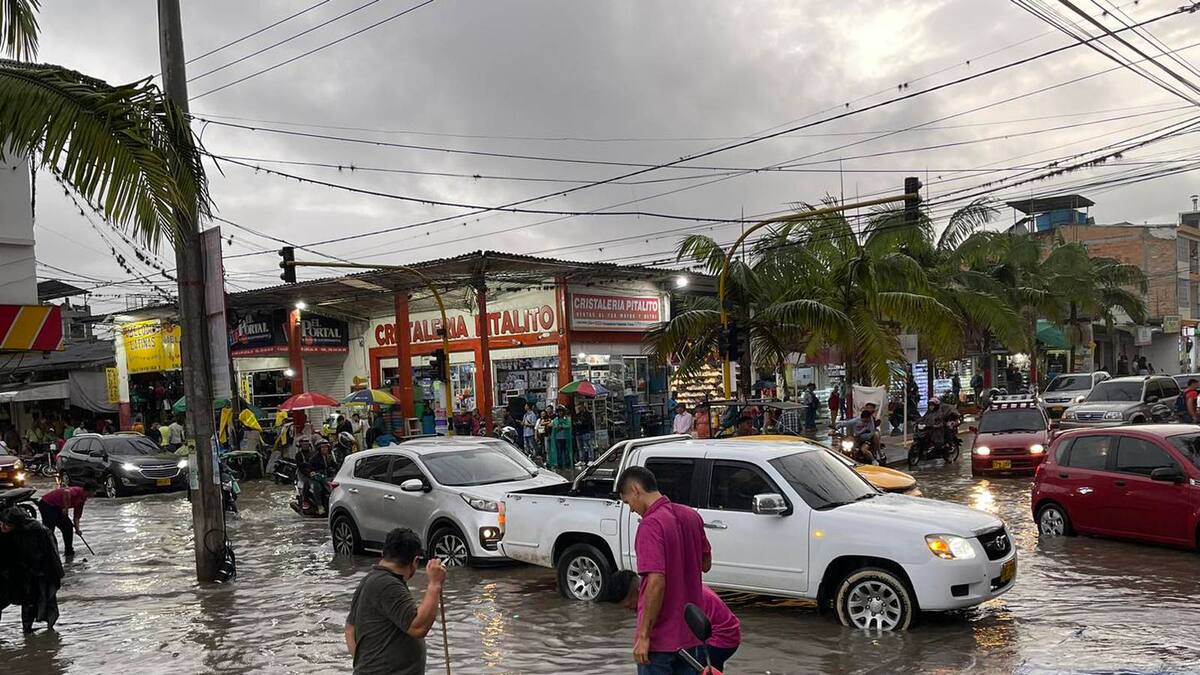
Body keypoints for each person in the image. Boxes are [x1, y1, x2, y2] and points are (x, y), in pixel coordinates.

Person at [616, 466, 711, 673]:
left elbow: (656, 582)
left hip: (660, 641)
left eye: (627, 502)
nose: (631, 509)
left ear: (635, 489)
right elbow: (706, 564)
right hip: (690, 637)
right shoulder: (691, 516)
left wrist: (643, 636)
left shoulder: (651, 525)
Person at [345, 527, 447, 675]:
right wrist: (434, 584)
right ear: (415, 561)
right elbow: (418, 627)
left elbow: (349, 629)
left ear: (383, 554)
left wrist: (365, 666)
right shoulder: (388, 585)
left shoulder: (370, 580)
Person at [610, 570, 740, 672]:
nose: (630, 610)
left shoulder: (656, 596)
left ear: (638, 591)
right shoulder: (657, 583)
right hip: (726, 630)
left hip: (720, 636)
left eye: (629, 605)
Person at [0, 507, 63, 633]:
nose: (3, 527)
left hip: (31, 572)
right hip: (8, 571)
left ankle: (27, 630)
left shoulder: (37, 531)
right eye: (2, 523)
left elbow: (50, 555)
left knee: (29, 601)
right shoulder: (6, 530)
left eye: (7, 525)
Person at [36, 482, 96, 558]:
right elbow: (66, 492)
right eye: (94, 491)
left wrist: (78, 529)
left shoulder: (82, 500)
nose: (95, 494)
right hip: (47, 504)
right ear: (89, 490)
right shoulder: (77, 491)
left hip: (58, 508)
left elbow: (77, 516)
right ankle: (50, 552)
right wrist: (66, 507)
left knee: (68, 527)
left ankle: (69, 551)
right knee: (49, 531)